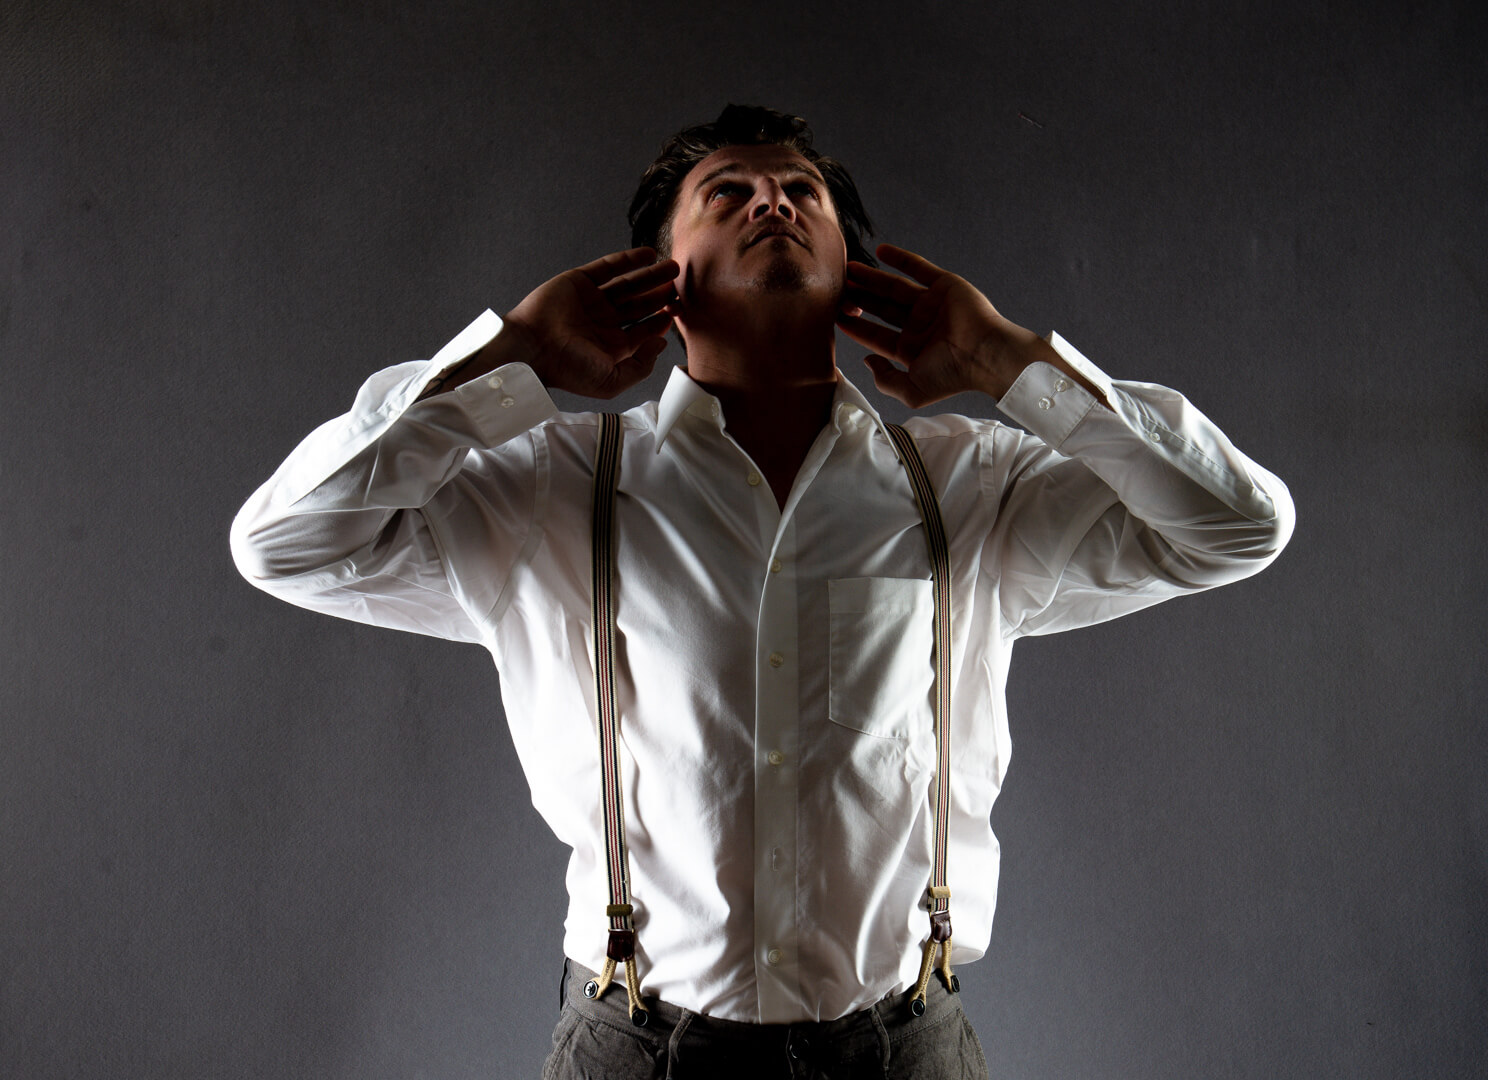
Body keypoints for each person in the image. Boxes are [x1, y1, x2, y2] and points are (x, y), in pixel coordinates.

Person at [231, 105, 1294, 1078]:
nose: (772, 204)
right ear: (657, 275)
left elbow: (1240, 524)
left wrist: (1011, 363)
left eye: (801, 193)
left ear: (850, 266)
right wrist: (507, 358)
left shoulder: (967, 486)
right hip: (636, 1050)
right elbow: (284, 543)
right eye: (728, 193)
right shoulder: (554, 489)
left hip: (905, 1050)